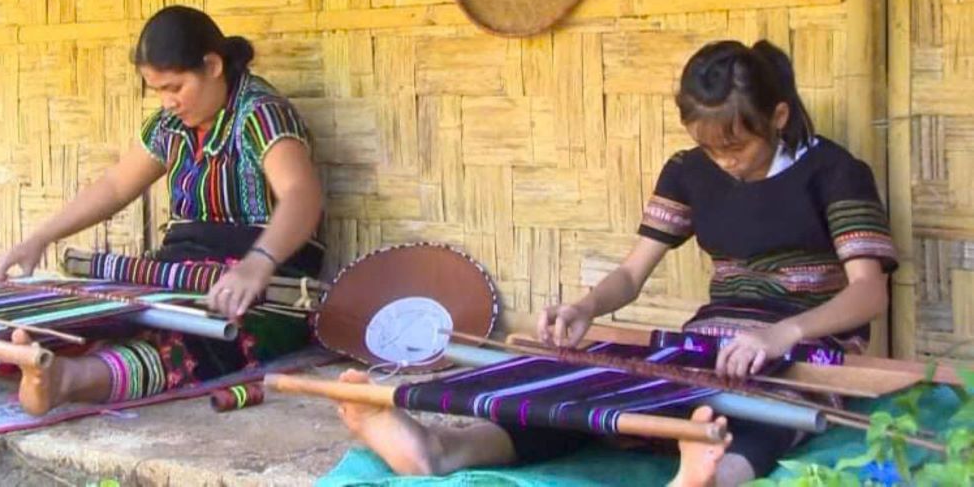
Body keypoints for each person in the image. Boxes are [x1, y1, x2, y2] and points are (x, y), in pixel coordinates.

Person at [333, 40, 897, 486]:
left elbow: (869, 293)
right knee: (590, 392)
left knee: (774, 408)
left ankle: (713, 476)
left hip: (812, 350)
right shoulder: (689, 171)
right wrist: (584, 308)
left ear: (777, 116)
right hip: (712, 346)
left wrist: (782, 335)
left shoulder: (834, 172)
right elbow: (631, 274)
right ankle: (439, 448)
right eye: (712, 149)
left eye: (738, 147)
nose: (725, 162)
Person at [0, 5, 326, 416]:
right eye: (157, 90)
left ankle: (65, 381)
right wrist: (38, 238)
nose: (167, 100)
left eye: (175, 87)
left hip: (265, 286)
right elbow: (118, 184)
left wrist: (258, 262)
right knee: (65, 319)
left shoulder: (259, 112)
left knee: (193, 343)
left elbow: (302, 195)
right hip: (177, 271)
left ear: (212, 66)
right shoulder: (170, 127)